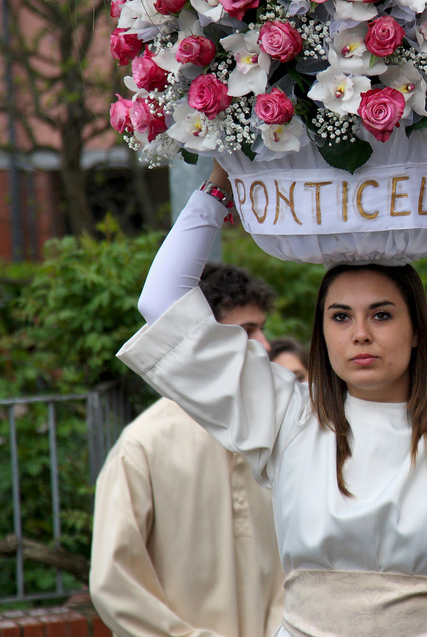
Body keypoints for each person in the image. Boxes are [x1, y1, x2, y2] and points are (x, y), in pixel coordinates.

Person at [115, 141, 427, 636]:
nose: (360, 333)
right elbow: (161, 303)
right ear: (323, 333)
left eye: (381, 315)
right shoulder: (286, 417)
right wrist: (218, 185)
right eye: (341, 317)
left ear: (417, 332)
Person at [91, 263, 286, 637]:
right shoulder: (141, 446)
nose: (264, 344)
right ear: (202, 340)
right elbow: (113, 583)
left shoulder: (275, 434)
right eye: (247, 330)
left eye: (262, 328)